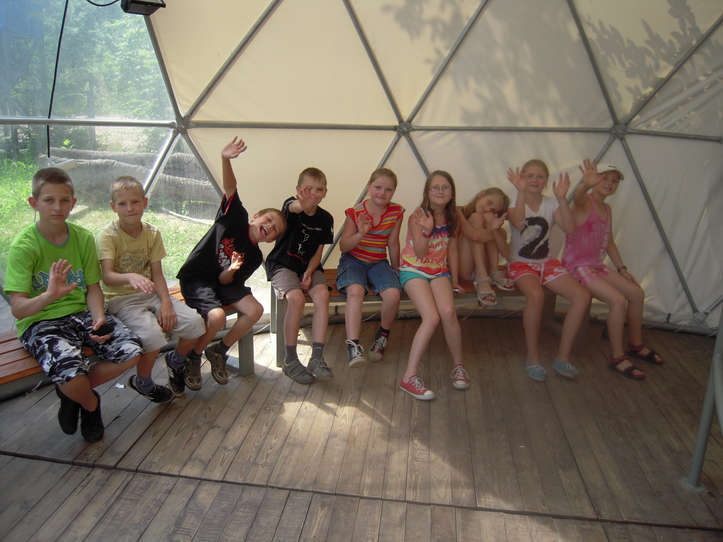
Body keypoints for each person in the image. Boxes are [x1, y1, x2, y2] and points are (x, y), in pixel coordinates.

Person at [5, 167, 143, 442]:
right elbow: (18, 309)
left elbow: (93, 288)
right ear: (34, 203)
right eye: (49, 200)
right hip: (40, 321)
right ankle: (89, 403)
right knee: (71, 374)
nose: (57, 207)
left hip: (81, 314)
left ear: (73, 203)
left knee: (132, 351)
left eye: (64, 200)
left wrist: (98, 317)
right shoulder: (24, 246)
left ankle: (70, 393)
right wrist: (49, 296)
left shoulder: (82, 237)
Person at [177, 137, 286, 389]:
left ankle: (219, 350)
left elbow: (226, 282)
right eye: (269, 220)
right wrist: (225, 159)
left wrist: (231, 270)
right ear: (256, 216)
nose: (269, 227)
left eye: (275, 230)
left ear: (271, 240)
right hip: (198, 278)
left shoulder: (255, 256)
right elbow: (230, 188)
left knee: (255, 310)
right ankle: (194, 356)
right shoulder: (236, 217)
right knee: (216, 316)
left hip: (221, 282)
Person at [97, 176, 206, 399]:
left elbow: (157, 273)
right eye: (122, 203)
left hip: (151, 294)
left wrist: (166, 303)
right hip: (121, 299)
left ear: (145, 203)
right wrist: (130, 277)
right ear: (113, 207)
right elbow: (107, 276)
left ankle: (176, 361)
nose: (130, 208)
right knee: (153, 337)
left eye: (135, 202)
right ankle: (143, 382)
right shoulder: (108, 236)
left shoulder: (152, 233)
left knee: (195, 323)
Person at [562, 160, 662, 379]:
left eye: (614, 181)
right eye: (604, 178)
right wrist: (585, 185)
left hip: (596, 266)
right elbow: (577, 198)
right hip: (577, 266)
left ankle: (635, 344)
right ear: (594, 179)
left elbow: (609, 243)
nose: (609, 183)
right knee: (617, 300)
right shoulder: (585, 202)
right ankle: (617, 357)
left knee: (637, 293)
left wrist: (622, 269)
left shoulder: (607, 209)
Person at [507, 159, 590, 382]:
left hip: (546, 263)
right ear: (521, 178)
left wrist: (562, 199)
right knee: (536, 296)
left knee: (582, 296)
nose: (535, 180)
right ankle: (533, 358)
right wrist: (520, 192)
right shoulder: (514, 201)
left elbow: (570, 229)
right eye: (530, 175)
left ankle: (562, 357)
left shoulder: (552, 203)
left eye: (540, 176)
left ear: (546, 181)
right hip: (520, 264)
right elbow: (518, 222)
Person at [398, 171, 469, 400]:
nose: (440, 191)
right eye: (435, 187)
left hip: (439, 271)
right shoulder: (418, 216)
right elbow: (419, 252)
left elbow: (453, 249)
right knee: (431, 317)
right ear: (427, 192)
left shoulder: (454, 216)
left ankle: (458, 366)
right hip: (414, 269)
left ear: (452, 193)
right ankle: (409, 377)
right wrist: (427, 230)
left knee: (448, 312)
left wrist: (454, 280)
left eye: (445, 187)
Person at [265, 167, 334, 384]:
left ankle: (317, 358)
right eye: (308, 189)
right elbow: (294, 208)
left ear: (325, 192)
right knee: (296, 298)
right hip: (282, 264)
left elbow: (318, 252)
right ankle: (290, 360)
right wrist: (301, 204)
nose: (313, 194)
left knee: (322, 294)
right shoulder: (290, 205)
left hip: (308, 265)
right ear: (298, 190)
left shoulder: (326, 218)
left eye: (319, 189)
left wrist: (310, 272)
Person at [337, 168, 404, 366]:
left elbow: (393, 243)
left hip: (378, 262)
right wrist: (361, 233)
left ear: (394, 192)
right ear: (369, 187)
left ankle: (382, 336)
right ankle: (353, 345)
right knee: (356, 292)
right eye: (378, 187)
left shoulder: (396, 212)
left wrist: (396, 269)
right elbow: (344, 246)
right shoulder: (355, 212)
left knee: (393, 294)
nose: (382, 193)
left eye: (388, 190)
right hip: (353, 260)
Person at [457, 187, 513, 306]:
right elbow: (474, 236)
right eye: (489, 202)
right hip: (465, 270)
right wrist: (492, 231)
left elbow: (507, 255)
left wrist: (495, 229)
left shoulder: (491, 221)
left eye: (493, 210)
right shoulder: (459, 211)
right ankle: (482, 278)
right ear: (481, 194)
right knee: (477, 218)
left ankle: (493, 272)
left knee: (495, 227)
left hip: (487, 272)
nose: (487, 209)